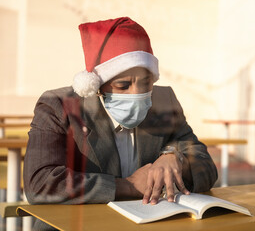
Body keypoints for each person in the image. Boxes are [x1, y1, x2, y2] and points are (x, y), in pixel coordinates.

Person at [24, 17, 217, 209]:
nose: (137, 93)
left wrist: (175, 159)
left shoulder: (164, 100)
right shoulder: (58, 106)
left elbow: (206, 165)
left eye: (146, 82)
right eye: (123, 85)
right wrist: (129, 185)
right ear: (97, 85)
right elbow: (39, 183)